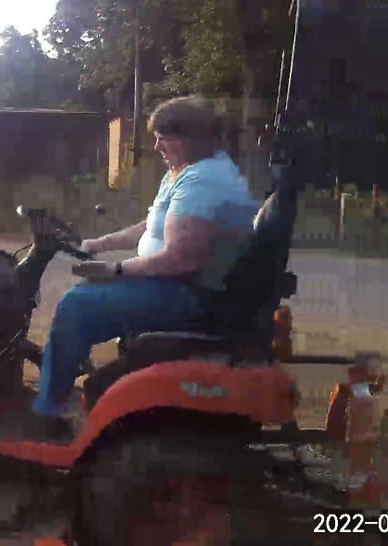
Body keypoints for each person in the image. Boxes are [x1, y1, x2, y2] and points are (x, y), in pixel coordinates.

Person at [29, 96, 259, 434]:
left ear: (188, 138)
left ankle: (48, 413)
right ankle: (71, 379)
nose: (155, 146)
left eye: (163, 138)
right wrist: (99, 245)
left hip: (194, 295)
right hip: (182, 284)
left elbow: (181, 259)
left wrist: (116, 270)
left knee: (77, 306)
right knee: (85, 295)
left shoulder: (204, 180)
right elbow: (152, 225)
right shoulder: (185, 172)